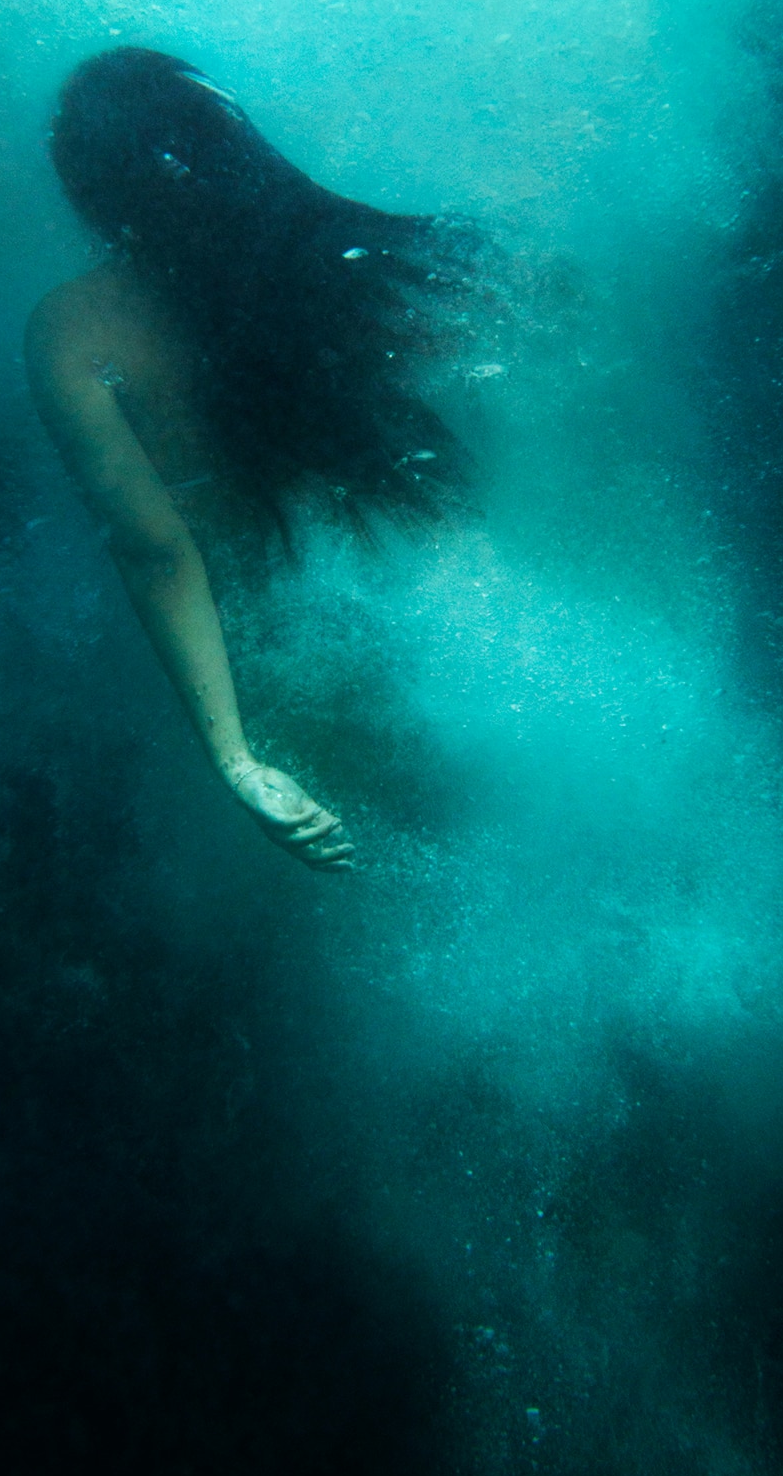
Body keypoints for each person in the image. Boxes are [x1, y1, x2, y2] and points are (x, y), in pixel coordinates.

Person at [25, 47, 482, 870]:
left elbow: (155, 550)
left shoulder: (76, 330)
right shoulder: (326, 258)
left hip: (277, 648)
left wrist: (233, 757)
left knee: (390, 871)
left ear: (87, 185)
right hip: (435, 605)